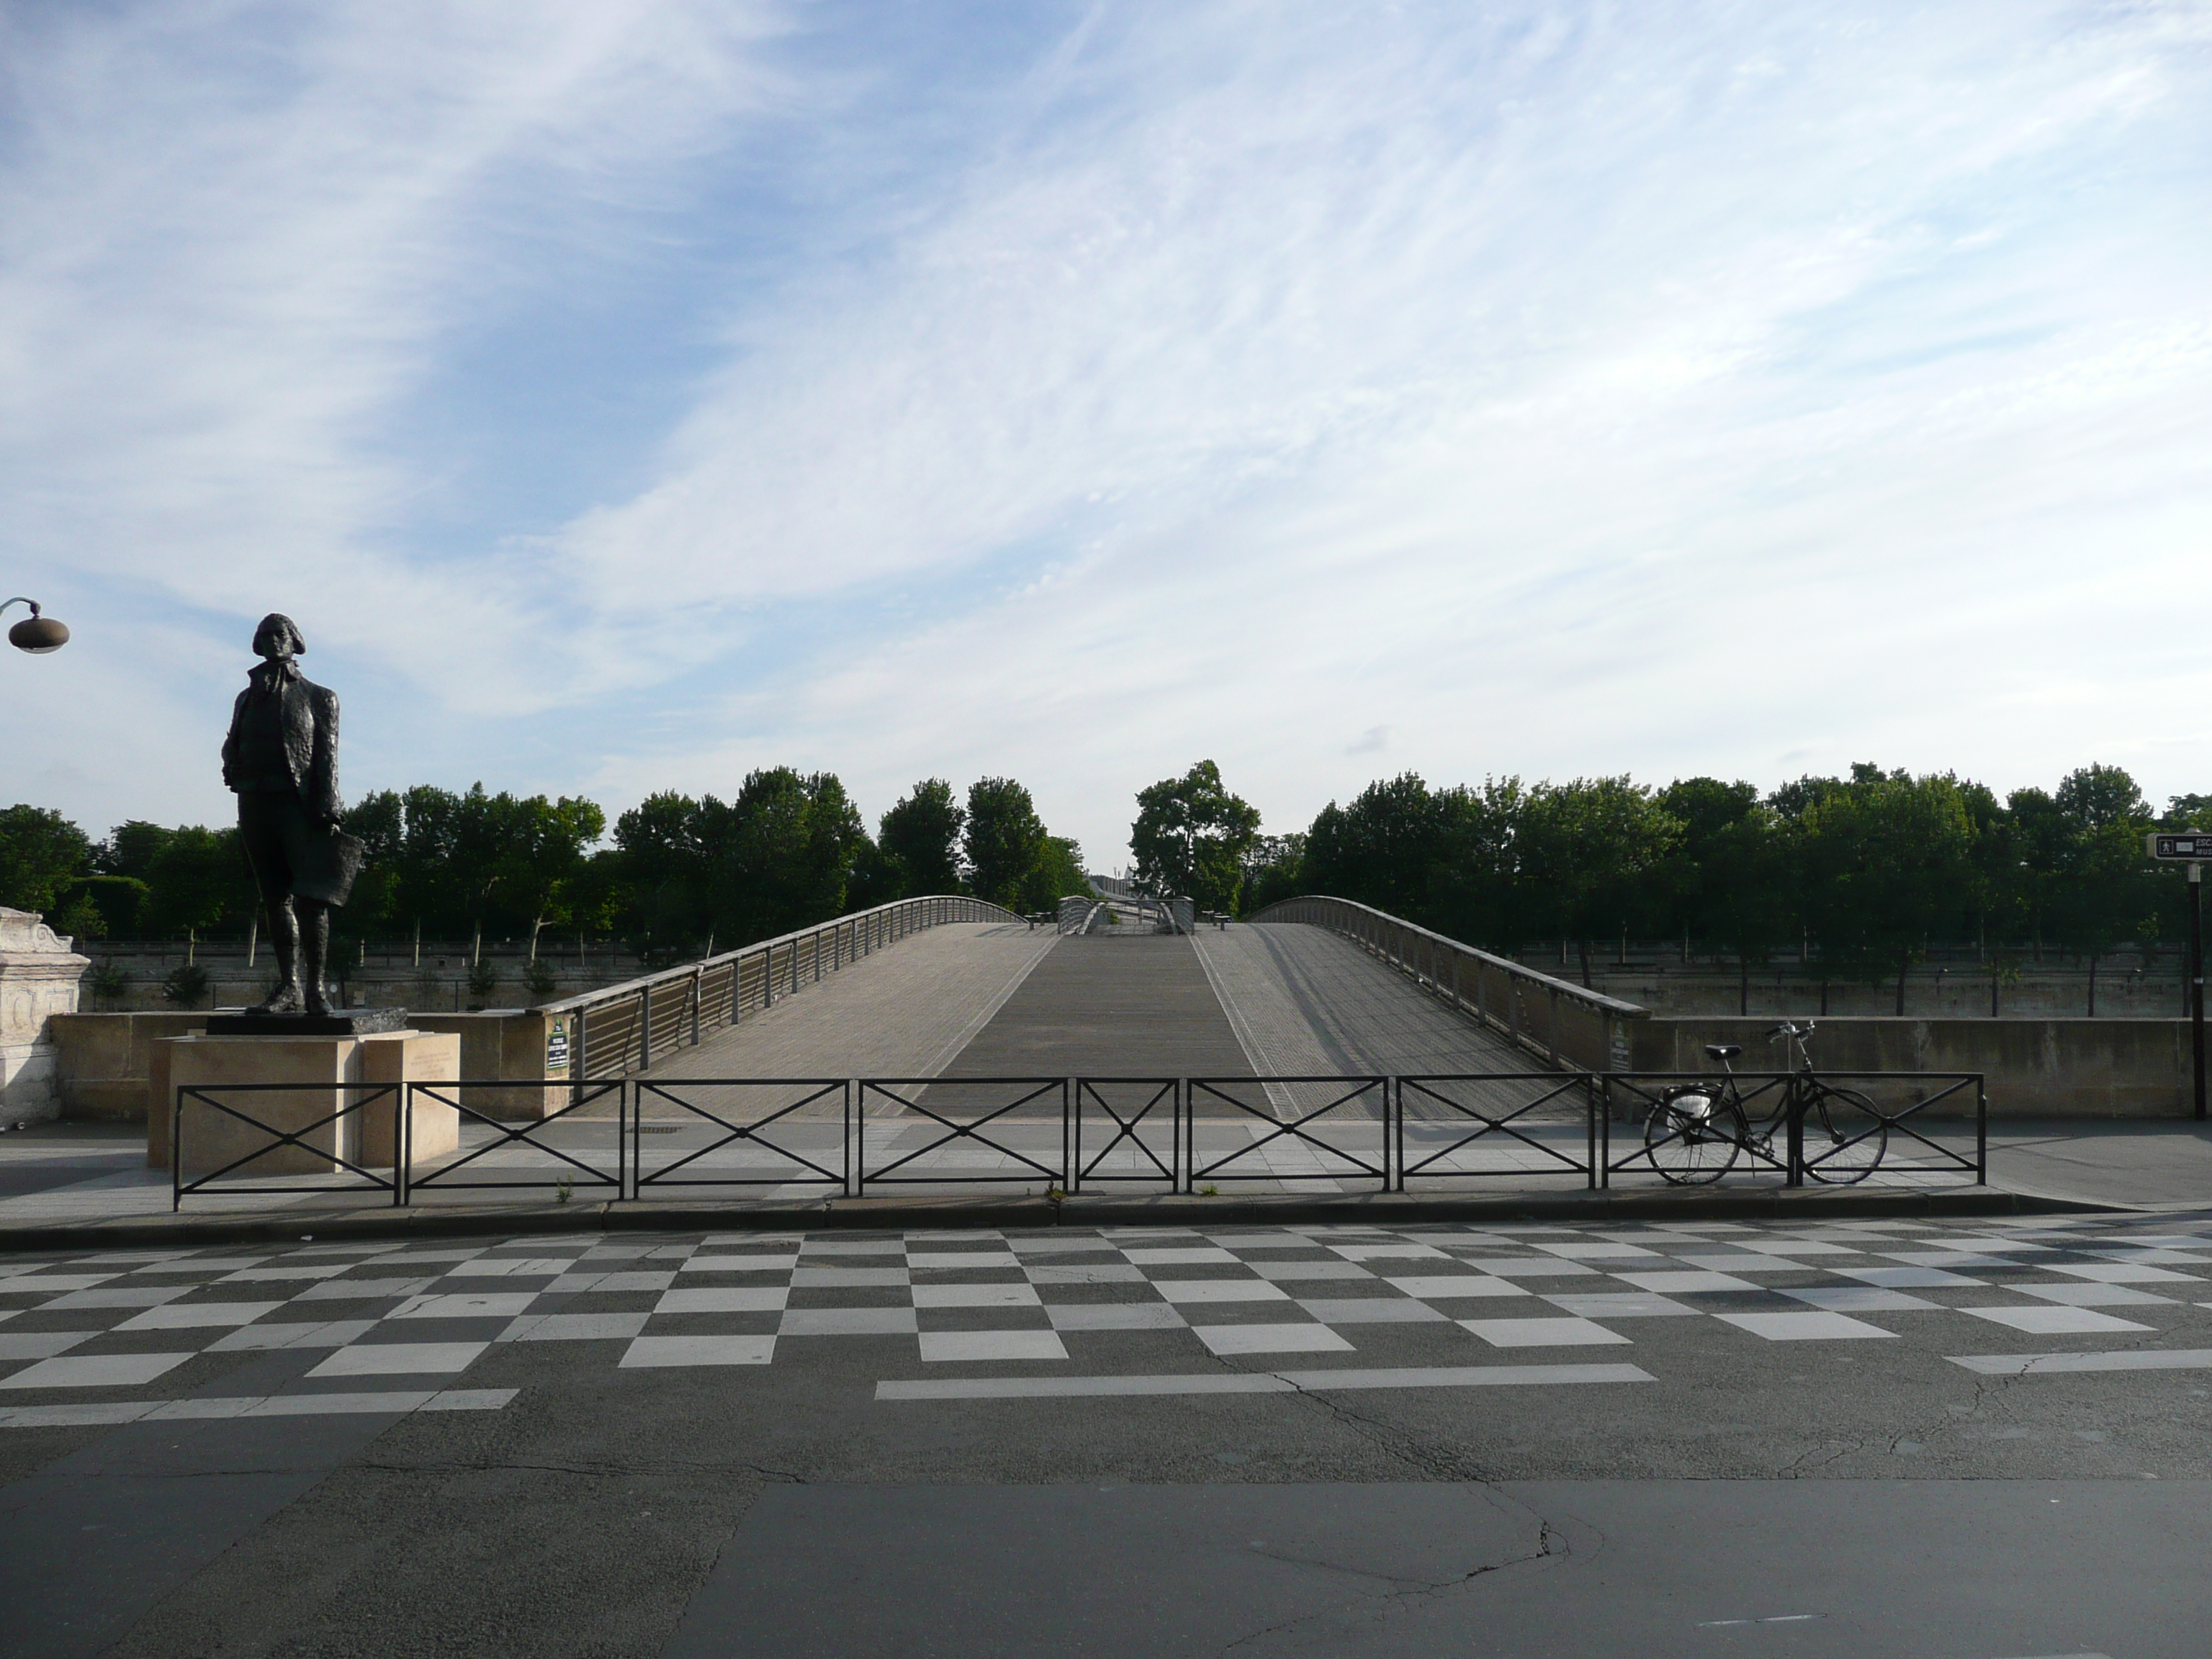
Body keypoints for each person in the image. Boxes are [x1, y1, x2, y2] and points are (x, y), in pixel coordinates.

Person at [220, 613, 359, 1015]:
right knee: (274, 898)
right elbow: (233, 739)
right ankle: (289, 988)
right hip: (255, 800)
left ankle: (316, 989)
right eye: (264, 636)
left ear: (295, 642)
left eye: (280, 635)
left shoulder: (320, 696)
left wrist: (329, 804)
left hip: (299, 804)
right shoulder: (246, 697)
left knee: (312, 899)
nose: (272, 641)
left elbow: (328, 755)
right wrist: (230, 766)